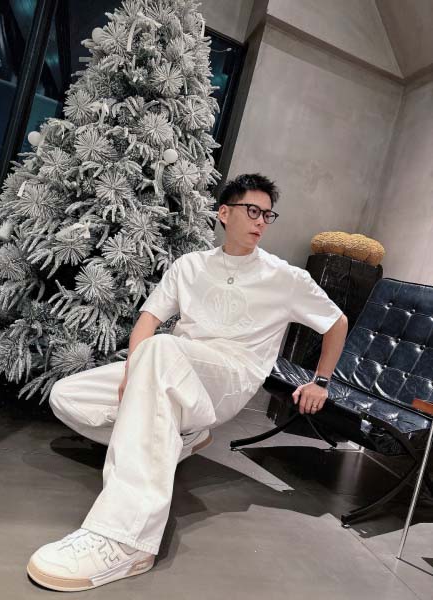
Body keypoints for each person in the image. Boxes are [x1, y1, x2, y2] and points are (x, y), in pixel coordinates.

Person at [26, 173, 348, 591]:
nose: (260, 221)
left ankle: (127, 538)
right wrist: (132, 373)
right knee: (67, 395)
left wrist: (320, 380)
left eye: (268, 215)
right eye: (252, 210)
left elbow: (336, 322)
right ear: (224, 213)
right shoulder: (190, 266)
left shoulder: (284, 278)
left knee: (160, 351)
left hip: (229, 377)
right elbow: (148, 319)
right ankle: (179, 435)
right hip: (174, 367)